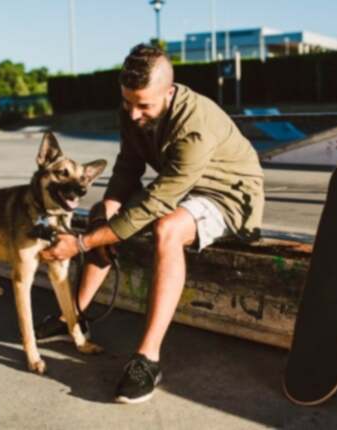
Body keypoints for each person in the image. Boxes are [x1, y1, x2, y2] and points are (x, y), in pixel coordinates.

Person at [39, 43, 265, 404]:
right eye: (128, 102)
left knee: (168, 229)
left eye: (144, 105)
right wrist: (109, 209)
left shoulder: (194, 126)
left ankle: (148, 359)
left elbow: (158, 201)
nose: (133, 114)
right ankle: (74, 318)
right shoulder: (134, 110)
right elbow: (129, 166)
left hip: (230, 196)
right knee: (102, 211)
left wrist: (82, 243)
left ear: (170, 92)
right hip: (182, 190)